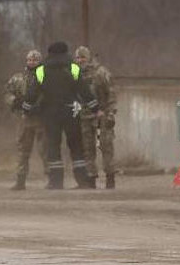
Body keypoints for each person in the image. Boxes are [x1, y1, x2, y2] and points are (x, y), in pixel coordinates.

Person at [23, 41, 99, 190]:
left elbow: (33, 92)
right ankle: (82, 180)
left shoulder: (41, 70)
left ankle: (56, 181)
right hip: (72, 110)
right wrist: (95, 107)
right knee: (76, 146)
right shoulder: (73, 68)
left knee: (53, 146)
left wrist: (26, 109)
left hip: (50, 113)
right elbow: (83, 89)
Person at [74, 46, 118, 189]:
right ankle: (91, 178)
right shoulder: (76, 74)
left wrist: (110, 113)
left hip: (102, 115)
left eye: (83, 57)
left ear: (88, 58)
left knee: (106, 146)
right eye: (78, 58)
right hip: (85, 116)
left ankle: (110, 178)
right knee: (87, 149)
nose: (80, 60)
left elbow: (111, 93)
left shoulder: (101, 73)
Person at [4, 49, 44, 191]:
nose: (32, 62)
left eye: (35, 60)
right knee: (23, 151)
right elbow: (8, 92)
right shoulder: (18, 78)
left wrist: (41, 106)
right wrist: (15, 101)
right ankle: (20, 181)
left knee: (44, 149)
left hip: (41, 119)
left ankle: (52, 179)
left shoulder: (44, 77)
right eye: (29, 60)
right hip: (24, 119)